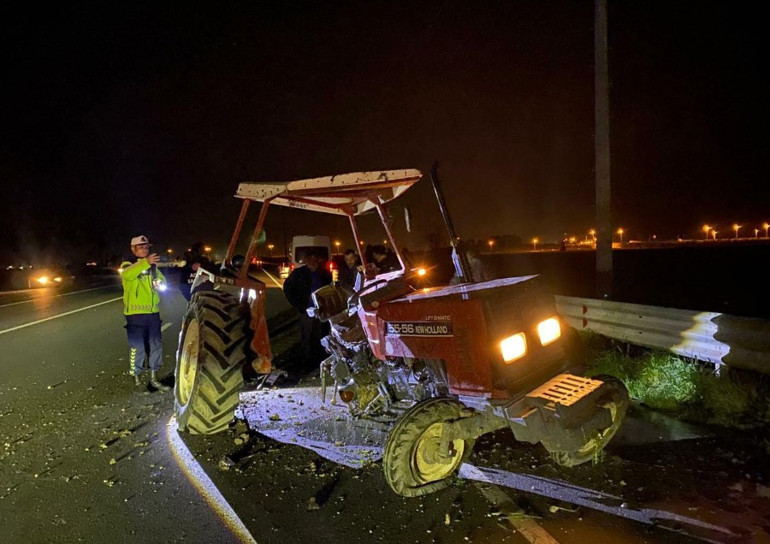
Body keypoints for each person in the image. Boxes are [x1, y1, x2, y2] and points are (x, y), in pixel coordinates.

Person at [119, 235, 170, 392]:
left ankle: (154, 378)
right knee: (137, 347)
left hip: (152, 313)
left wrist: (160, 284)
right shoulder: (128, 265)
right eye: (141, 247)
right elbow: (127, 274)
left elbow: (162, 283)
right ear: (133, 249)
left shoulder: (153, 267)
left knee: (156, 345)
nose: (145, 250)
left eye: (146, 247)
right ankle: (137, 379)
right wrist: (145, 262)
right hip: (135, 315)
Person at [282, 251, 333, 366]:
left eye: (315, 260)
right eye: (310, 260)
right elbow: (287, 288)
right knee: (307, 335)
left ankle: (319, 359)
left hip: (321, 310)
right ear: (306, 261)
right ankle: (306, 360)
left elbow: (330, 290)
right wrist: (298, 305)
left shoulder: (324, 274)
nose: (312, 263)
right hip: (306, 310)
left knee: (320, 334)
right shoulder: (298, 273)